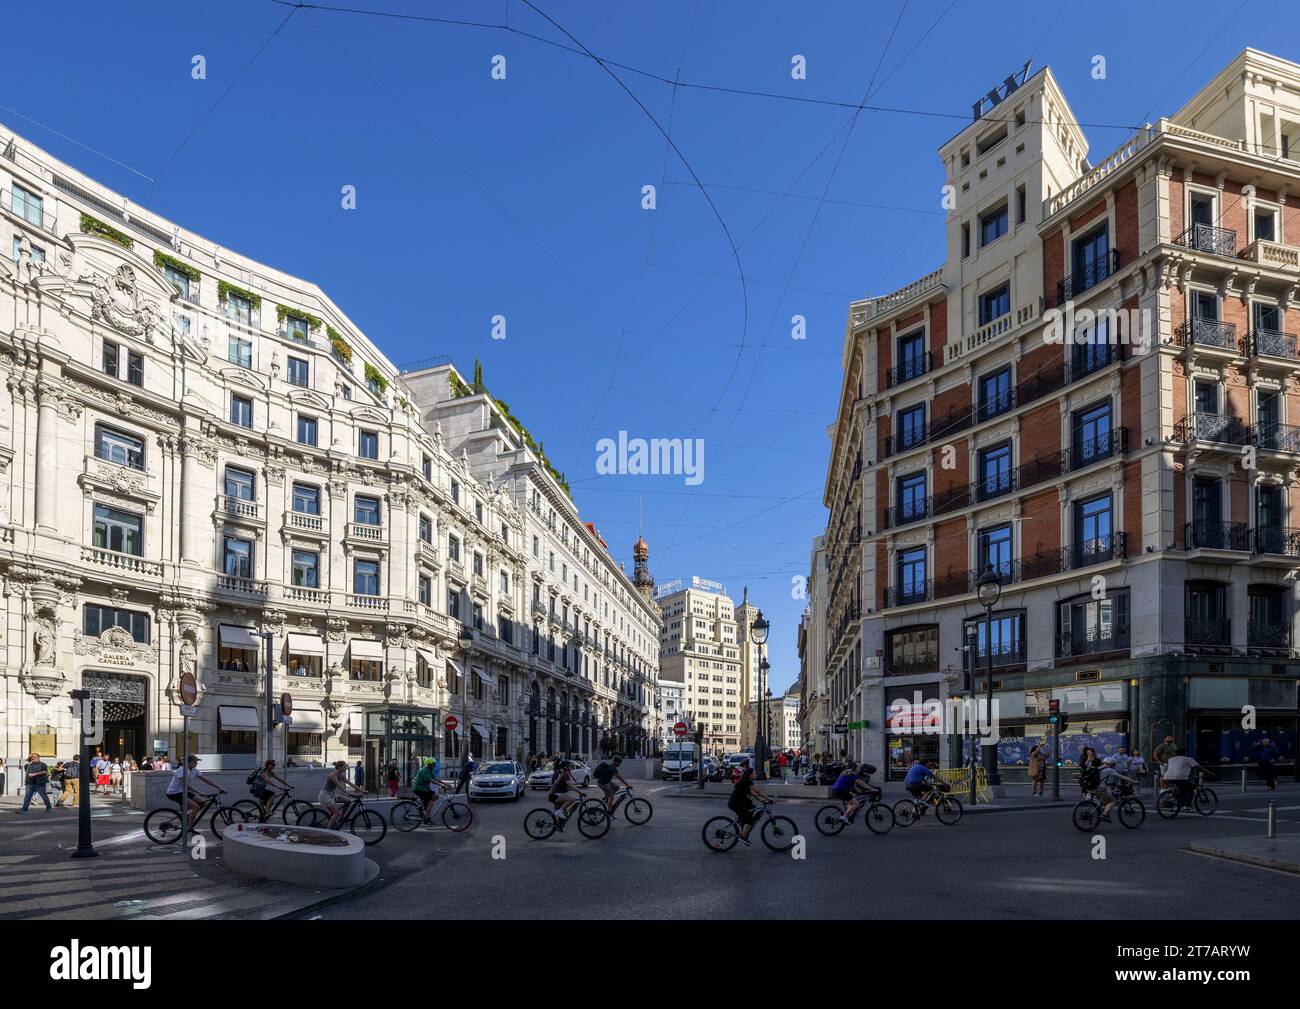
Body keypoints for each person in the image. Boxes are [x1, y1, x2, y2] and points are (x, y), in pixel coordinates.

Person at [165, 755, 225, 832]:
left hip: (183, 792)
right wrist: (198, 793)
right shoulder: (181, 770)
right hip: (173, 793)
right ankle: (189, 828)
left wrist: (219, 787)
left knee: (203, 803)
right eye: (195, 761)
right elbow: (185, 785)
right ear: (189, 762)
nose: (197, 763)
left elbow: (206, 780)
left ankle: (187, 817)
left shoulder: (194, 770)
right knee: (195, 807)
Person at [726, 766, 774, 846]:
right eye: (754, 773)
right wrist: (769, 799)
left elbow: (753, 793)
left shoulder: (746, 781)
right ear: (750, 775)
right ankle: (743, 837)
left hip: (741, 802)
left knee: (753, 808)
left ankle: (742, 823)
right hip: (736, 803)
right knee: (750, 820)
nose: (756, 774)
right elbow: (757, 792)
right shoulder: (747, 781)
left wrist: (762, 800)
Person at [319, 760, 365, 829]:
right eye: (344, 766)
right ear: (339, 767)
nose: (346, 768)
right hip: (325, 796)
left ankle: (341, 817)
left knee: (348, 801)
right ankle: (328, 830)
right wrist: (348, 793)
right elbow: (339, 785)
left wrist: (362, 790)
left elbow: (350, 783)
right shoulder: (332, 775)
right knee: (336, 813)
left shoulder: (341, 775)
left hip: (332, 795)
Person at [1097, 756, 1136, 821]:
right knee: (1112, 801)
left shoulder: (1098, 768)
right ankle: (1104, 815)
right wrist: (1132, 781)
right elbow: (1122, 777)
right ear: (1111, 764)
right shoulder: (1110, 770)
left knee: (1105, 798)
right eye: (1113, 765)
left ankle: (1103, 810)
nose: (1114, 766)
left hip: (1091, 788)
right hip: (1099, 788)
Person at [547, 760, 584, 827]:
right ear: (565, 767)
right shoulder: (565, 774)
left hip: (555, 794)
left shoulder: (565, 774)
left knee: (564, 810)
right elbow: (571, 786)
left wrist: (576, 789)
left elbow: (569, 786)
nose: (571, 767)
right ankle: (559, 812)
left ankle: (558, 825)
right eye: (569, 766)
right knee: (572, 800)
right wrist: (580, 792)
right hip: (554, 795)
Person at [412, 757, 440, 821]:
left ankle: (426, 809)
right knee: (432, 800)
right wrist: (441, 785)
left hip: (425, 789)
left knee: (434, 798)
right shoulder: (425, 770)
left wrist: (445, 784)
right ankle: (427, 818)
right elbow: (431, 780)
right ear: (429, 764)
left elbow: (435, 779)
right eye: (433, 764)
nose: (435, 765)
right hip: (420, 789)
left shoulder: (429, 770)